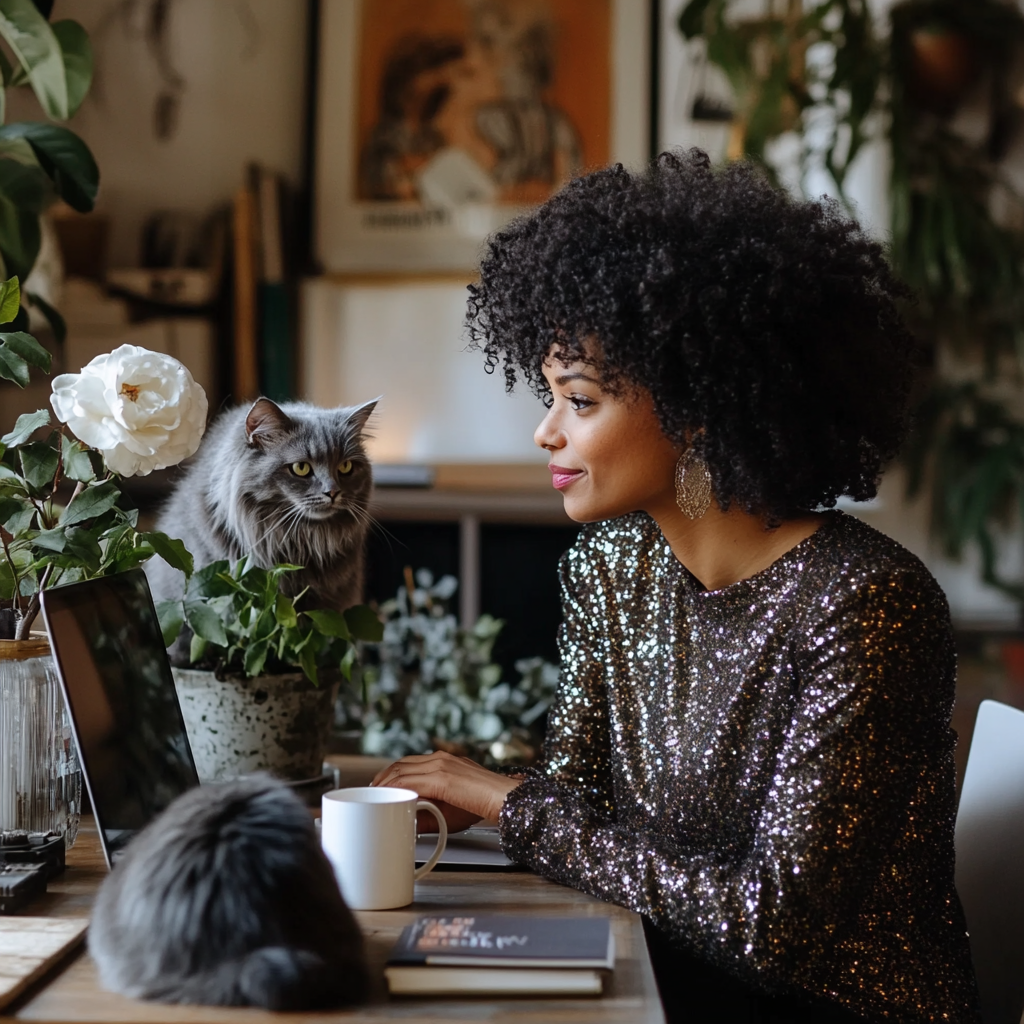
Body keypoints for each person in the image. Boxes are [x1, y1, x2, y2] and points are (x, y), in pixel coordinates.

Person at [372, 150, 981, 1024]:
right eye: (548, 396)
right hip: (675, 977)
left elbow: (773, 929)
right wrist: (469, 789)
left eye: (579, 401)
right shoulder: (610, 566)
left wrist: (510, 803)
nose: (545, 433)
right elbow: (578, 789)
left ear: (697, 404)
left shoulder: (869, 606)